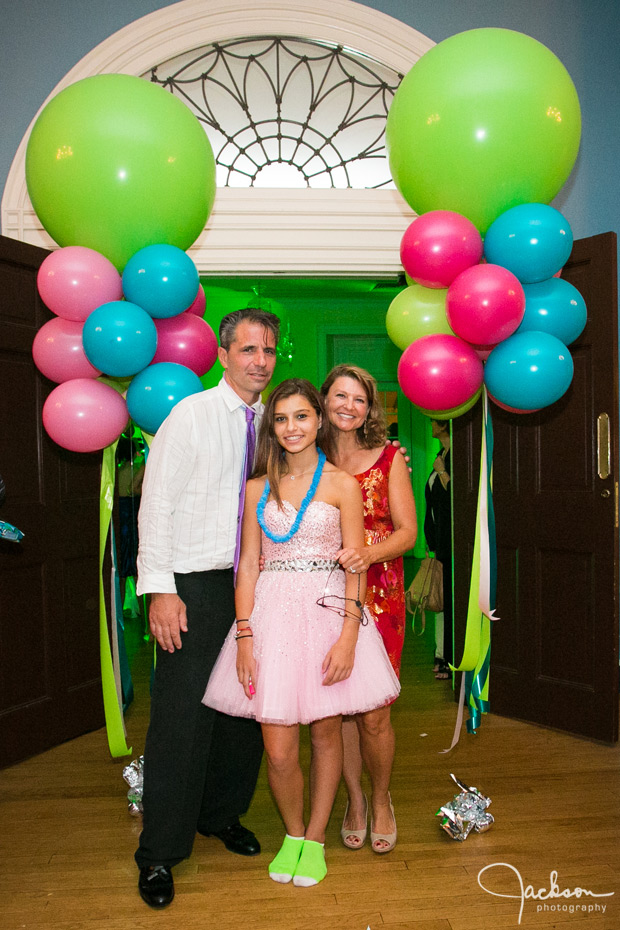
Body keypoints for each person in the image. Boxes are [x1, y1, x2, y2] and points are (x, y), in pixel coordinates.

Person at [203, 379, 400, 887]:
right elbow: (248, 565)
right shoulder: (255, 488)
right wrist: (245, 635)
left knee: (327, 732)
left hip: (328, 613)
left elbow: (355, 565)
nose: (292, 428)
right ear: (273, 426)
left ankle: (314, 839)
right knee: (279, 747)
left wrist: (349, 637)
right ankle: (292, 833)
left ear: (319, 421)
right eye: (283, 419)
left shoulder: (341, 485)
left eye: (302, 417)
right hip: (269, 615)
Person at [134, 307, 280, 909]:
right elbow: (155, 504)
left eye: (269, 352)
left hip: (259, 585)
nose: (260, 362)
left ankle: (221, 814)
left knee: (245, 709)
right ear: (223, 356)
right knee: (181, 719)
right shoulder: (190, 416)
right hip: (193, 585)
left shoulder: (278, 421)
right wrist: (161, 589)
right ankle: (159, 853)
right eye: (248, 350)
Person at [319, 364, 417, 854]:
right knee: (336, 709)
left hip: (379, 593)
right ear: (324, 400)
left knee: (374, 711)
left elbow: (407, 532)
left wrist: (367, 554)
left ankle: (381, 799)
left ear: (369, 408)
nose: (349, 407)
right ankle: (353, 800)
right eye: (340, 396)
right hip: (319, 595)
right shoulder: (304, 456)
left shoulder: (389, 458)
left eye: (359, 399)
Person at [424, 419, 452, 680]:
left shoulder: (454, 456)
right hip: (438, 542)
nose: (431, 423)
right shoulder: (440, 454)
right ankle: (441, 654)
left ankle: (447, 657)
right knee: (439, 598)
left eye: (434, 420)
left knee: (448, 600)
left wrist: (443, 471)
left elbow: (457, 496)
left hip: (452, 543)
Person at [116, 435, 145, 618]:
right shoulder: (141, 466)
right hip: (132, 514)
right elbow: (133, 489)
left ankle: (118, 612)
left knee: (121, 563)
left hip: (120, 514)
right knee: (135, 565)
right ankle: (145, 617)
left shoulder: (117, 470)